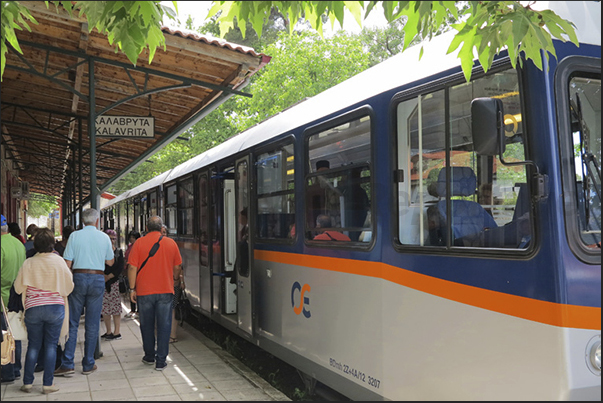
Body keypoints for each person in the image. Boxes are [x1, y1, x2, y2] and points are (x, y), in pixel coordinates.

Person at [13, 228, 74, 394]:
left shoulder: (28, 263)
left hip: (33, 309)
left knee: (33, 346)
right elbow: (69, 286)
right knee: (51, 346)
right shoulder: (59, 261)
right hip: (55, 309)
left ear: (35, 244)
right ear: (51, 244)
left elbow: (18, 288)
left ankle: (27, 382)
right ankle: (48, 384)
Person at [55, 208, 114, 377]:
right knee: (93, 323)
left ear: (83, 221)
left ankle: (67, 363)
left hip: (79, 277)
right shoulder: (104, 237)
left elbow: (67, 263)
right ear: (97, 221)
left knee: (73, 322)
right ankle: (88, 363)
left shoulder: (74, 236)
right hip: (97, 279)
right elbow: (110, 261)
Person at [127, 216, 182, 371]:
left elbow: (132, 267)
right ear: (161, 227)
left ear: (146, 227)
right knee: (164, 325)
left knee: (147, 324)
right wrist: (175, 278)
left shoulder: (139, 243)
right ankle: (161, 360)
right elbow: (177, 266)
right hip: (165, 290)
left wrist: (132, 288)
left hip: (144, 292)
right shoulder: (171, 243)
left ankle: (149, 355)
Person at [1, 214, 26, 385]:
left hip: (2, 297)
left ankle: (7, 371)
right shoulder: (18, 243)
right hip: (17, 295)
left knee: (3, 335)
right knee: (14, 332)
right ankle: (16, 368)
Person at [306, 160, 341, 237]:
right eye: (321, 173)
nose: (323, 176)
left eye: (326, 173)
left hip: (332, 225)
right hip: (316, 227)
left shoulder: (334, 190)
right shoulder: (311, 190)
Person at [101, 229, 124, 340]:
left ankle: (117, 332)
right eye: (110, 238)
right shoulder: (100, 251)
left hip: (114, 283)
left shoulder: (119, 252)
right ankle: (108, 331)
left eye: (114, 239)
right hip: (104, 284)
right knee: (105, 308)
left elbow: (120, 267)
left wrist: (108, 276)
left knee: (116, 308)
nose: (112, 241)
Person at [339, 167, 370, 241]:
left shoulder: (345, 192)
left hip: (348, 220)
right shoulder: (361, 192)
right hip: (358, 220)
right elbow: (366, 207)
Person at [124, 230, 141, 319]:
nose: (131, 239)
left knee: (135, 290)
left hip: (136, 272)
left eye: (133, 238)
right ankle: (133, 309)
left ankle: (138, 310)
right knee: (131, 290)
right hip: (129, 271)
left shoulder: (138, 247)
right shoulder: (130, 247)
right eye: (130, 237)